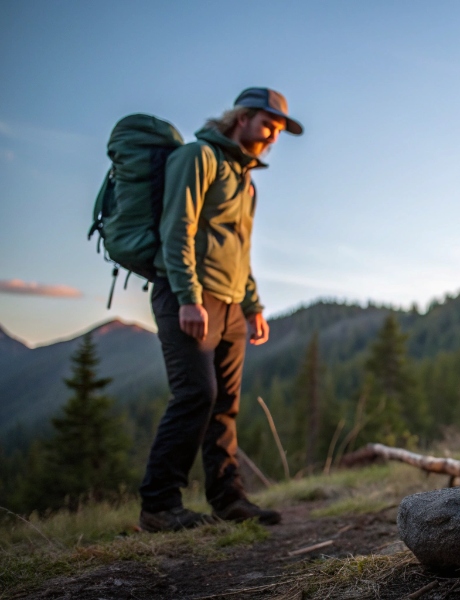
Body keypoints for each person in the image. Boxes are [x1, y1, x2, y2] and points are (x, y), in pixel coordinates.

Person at [138, 88, 303, 532]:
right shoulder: (198, 157)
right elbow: (178, 229)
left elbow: (240, 251)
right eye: (268, 125)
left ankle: (229, 500)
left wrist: (252, 306)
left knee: (225, 405)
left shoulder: (246, 181)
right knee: (196, 394)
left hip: (231, 306)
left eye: (279, 131)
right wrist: (189, 298)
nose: (273, 137)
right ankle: (158, 505)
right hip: (189, 297)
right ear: (242, 117)